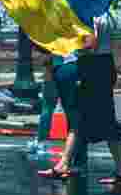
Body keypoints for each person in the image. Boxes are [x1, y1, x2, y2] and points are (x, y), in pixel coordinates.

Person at [76, 10, 121, 186]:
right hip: (103, 63)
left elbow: (90, 43)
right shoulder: (106, 13)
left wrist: (70, 44)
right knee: (103, 117)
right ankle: (120, 168)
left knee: (103, 118)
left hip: (94, 65)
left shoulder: (92, 16)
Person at [37, 50, 89, 179]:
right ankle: (75, 162)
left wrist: (48, 70)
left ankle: (42, 142)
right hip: (68, 67)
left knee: (67, 117)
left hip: (57, 67)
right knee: (75, 120)